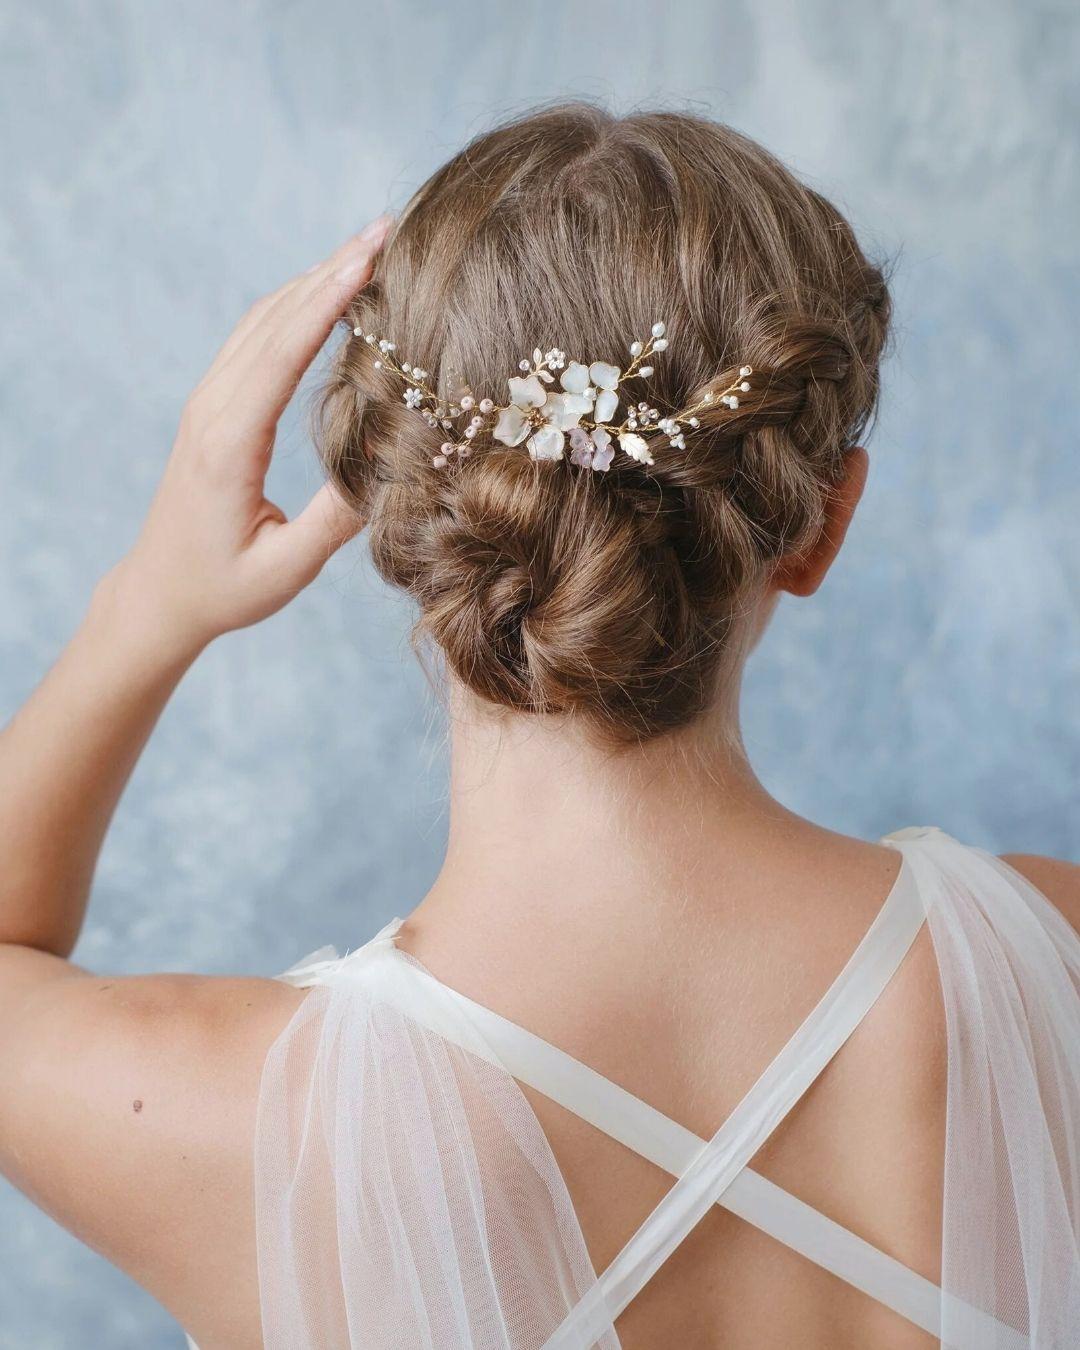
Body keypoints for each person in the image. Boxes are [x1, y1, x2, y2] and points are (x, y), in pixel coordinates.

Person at [0, 105, 1076, 1350]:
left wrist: (141, 610)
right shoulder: (1056, 960)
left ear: (396, 510)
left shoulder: (240, 1123)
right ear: (822, 523)